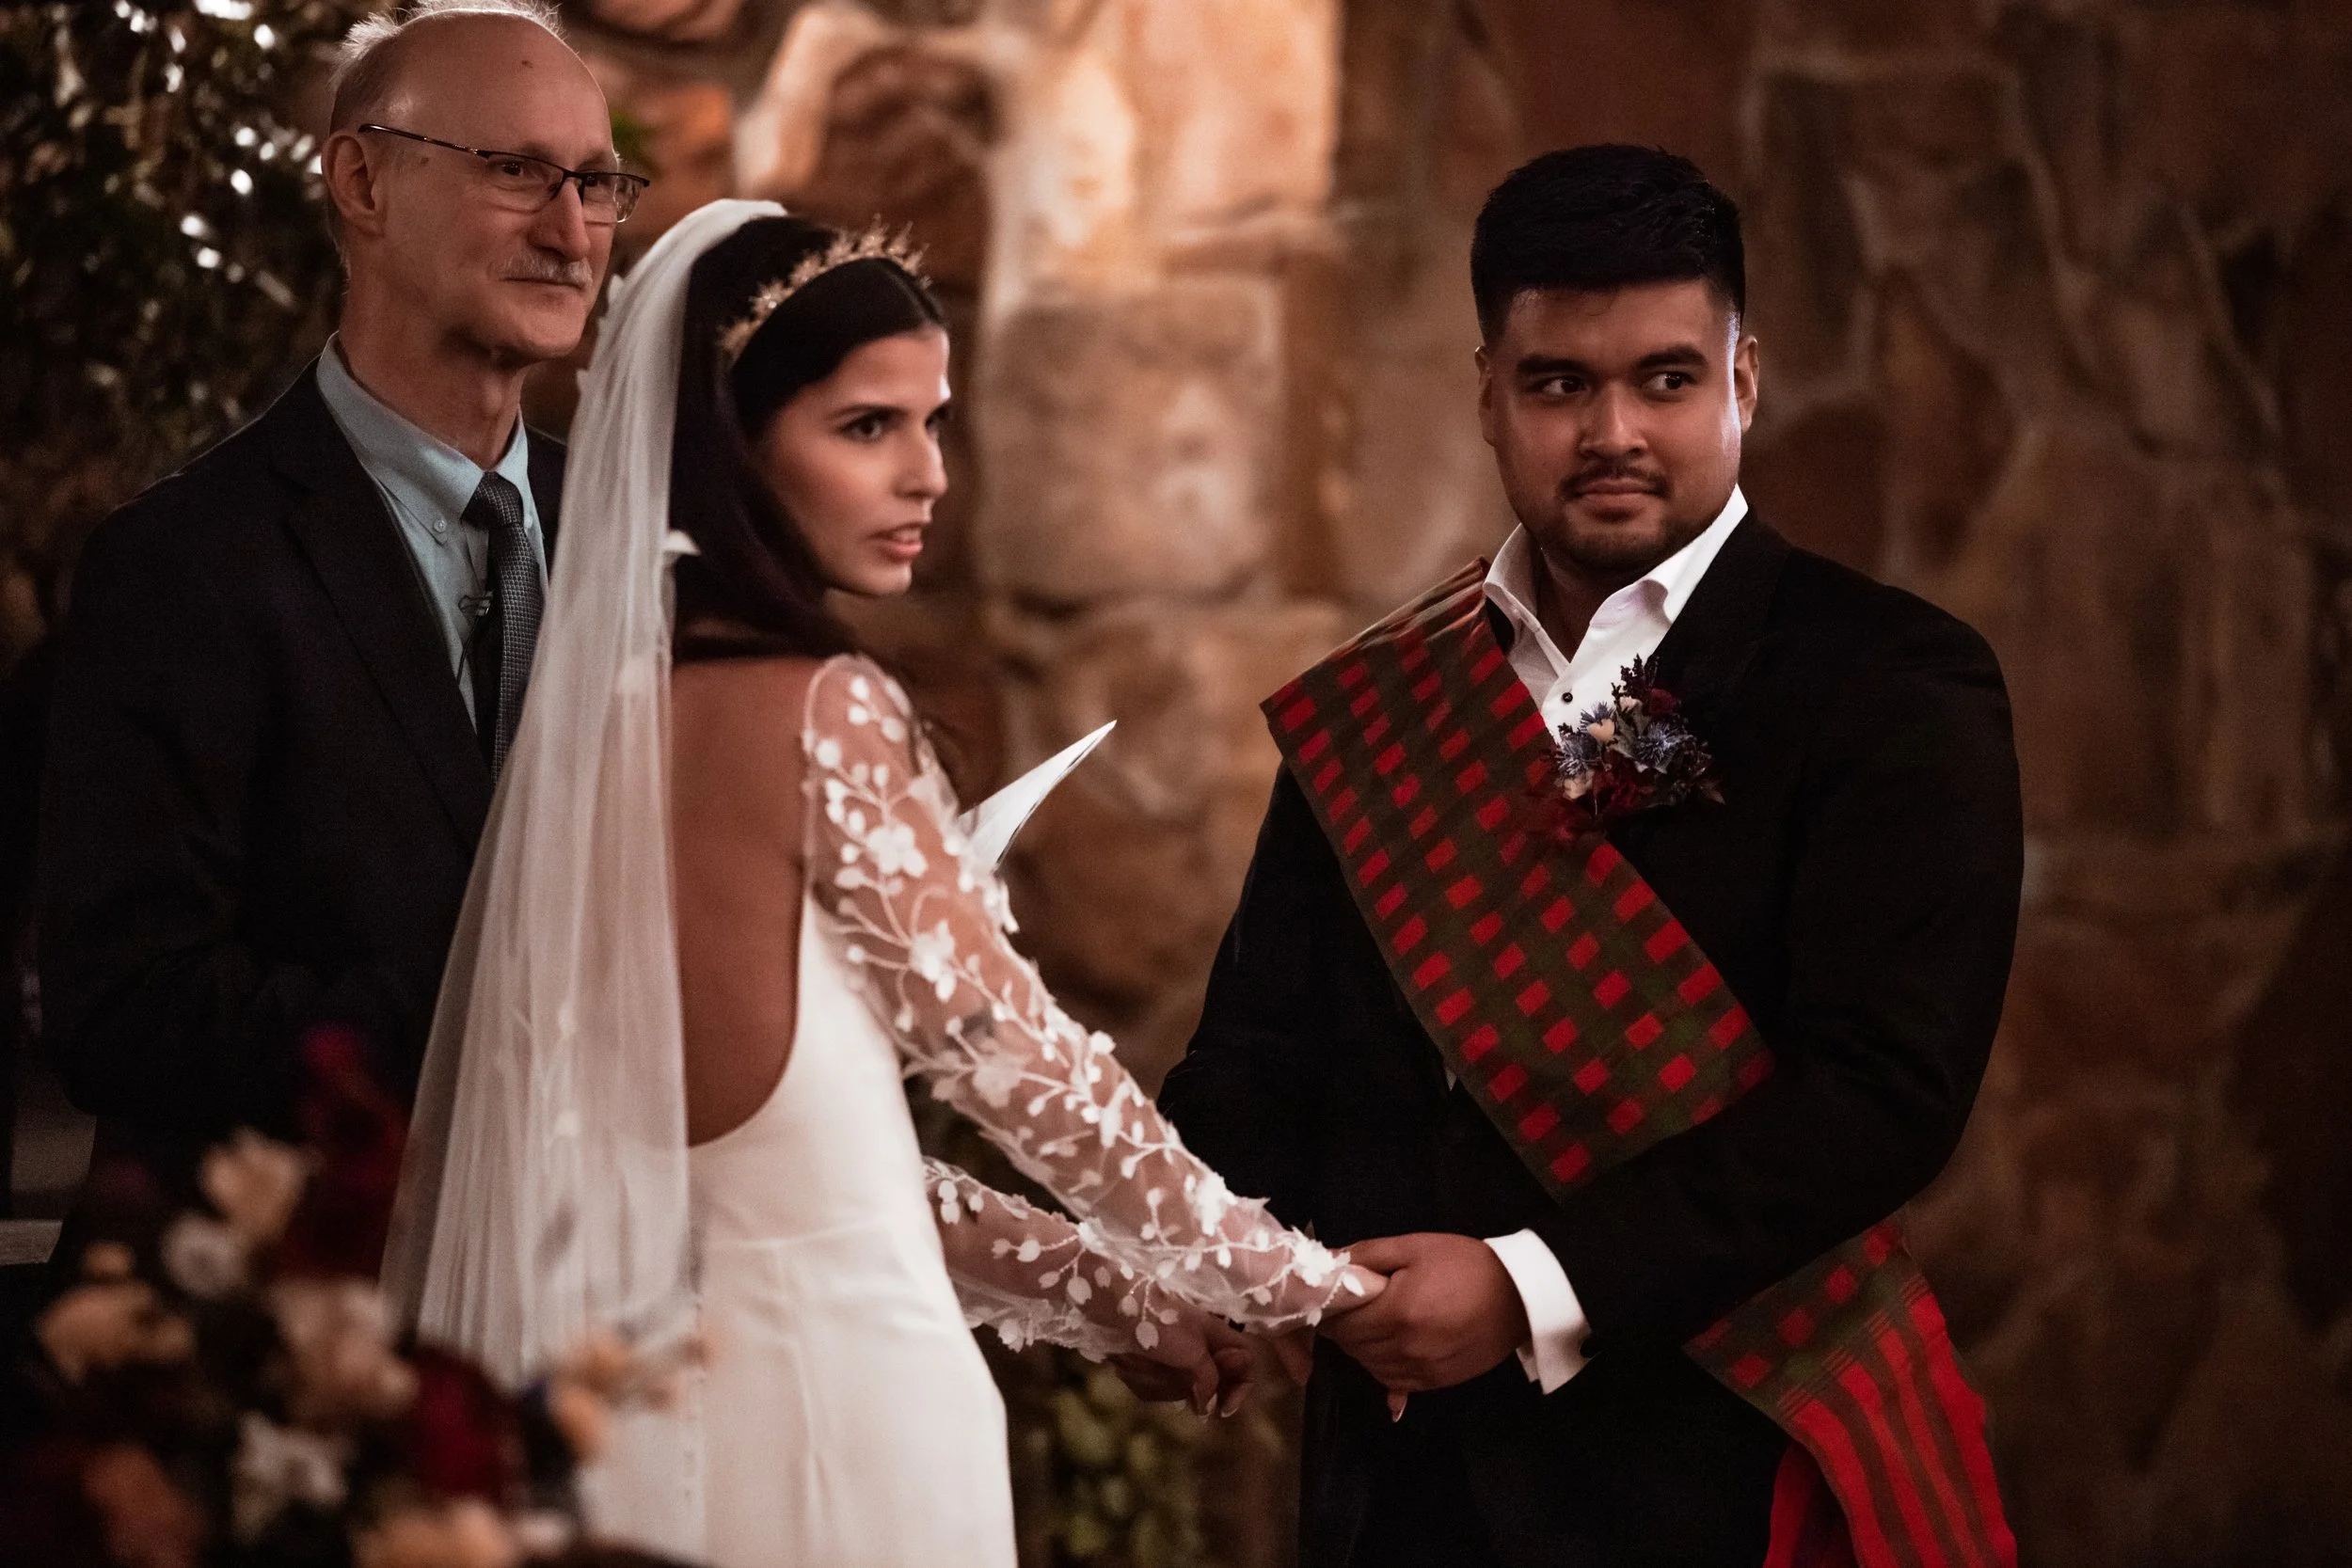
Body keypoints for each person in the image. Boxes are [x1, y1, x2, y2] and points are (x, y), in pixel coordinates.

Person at [381, 204, 1382, 1568]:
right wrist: (1314, 1288)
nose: (927, 476)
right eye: (866, 427)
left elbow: (806, 1174)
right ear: (731, 446)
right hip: (844, 1415)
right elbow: (1024, 1070)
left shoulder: (593, 740)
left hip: (645, 1430)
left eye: (933, 421)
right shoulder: (824, 710)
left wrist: (1112, 1292)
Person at [1159, 146, 2026, 1568]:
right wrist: (1202, 1254)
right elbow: (1254, 1053)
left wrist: (1527, 1286)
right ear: (1487, 393)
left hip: (1711, 1467)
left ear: (1745, 381)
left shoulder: (1887, 680)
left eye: (1666, 379)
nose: (1612, 430)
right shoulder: (1383, 698)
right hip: (1393, 1487)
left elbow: (1882, 1094)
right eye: (1559, 383)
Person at [37, 0, 632, 1199]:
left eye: (599, 184)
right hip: (298, 1280)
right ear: (362, 183)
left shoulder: (638, 540)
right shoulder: (179, 564)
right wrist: (502, 1011)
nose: (571, 231)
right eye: (517, 171)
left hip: (585, 1272)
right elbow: (125, 1011)